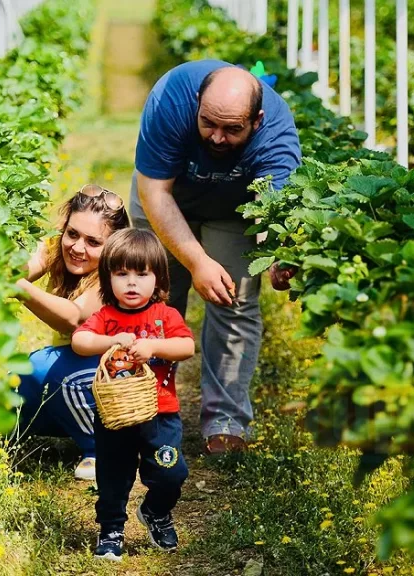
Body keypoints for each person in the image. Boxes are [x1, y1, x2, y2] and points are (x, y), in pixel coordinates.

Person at [130, 59, 301, 454]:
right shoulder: (170, 100)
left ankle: (226, 421)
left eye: (232, 129)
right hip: (166, 200)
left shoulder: (277, 133)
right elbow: (155, 193)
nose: (218, 138)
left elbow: (276, 207)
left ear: (256, 121)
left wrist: (279, 253)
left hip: (234, 210)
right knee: (149, 300)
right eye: (209, 124)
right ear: (196, 105)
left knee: (235, 300)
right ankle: (144, 409)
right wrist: (197, 261)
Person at [71, 229, 195, 561]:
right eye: (121, 273)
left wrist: (154, 345)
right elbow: (80, 341)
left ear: (158, 277)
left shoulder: (165, 316)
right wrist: (113, 341)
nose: (131, 283)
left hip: (161, 414)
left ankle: (156, 510)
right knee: (112, 474)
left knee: (172, 472)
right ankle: (111, 529)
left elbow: (186, 346)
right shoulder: (105, 318)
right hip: (115, 416)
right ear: (107, 277)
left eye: (142, 274)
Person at [12, 184, 130, 481]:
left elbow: (73, 319)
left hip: (116, 380)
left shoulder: (117, 271)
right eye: (72, 234)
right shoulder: (58, 248)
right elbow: (30, 264)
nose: (77, 247)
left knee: (40, 365)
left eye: (93, 242)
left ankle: (105, 449)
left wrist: (16, 286)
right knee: (14, 381)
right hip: (75, 375)